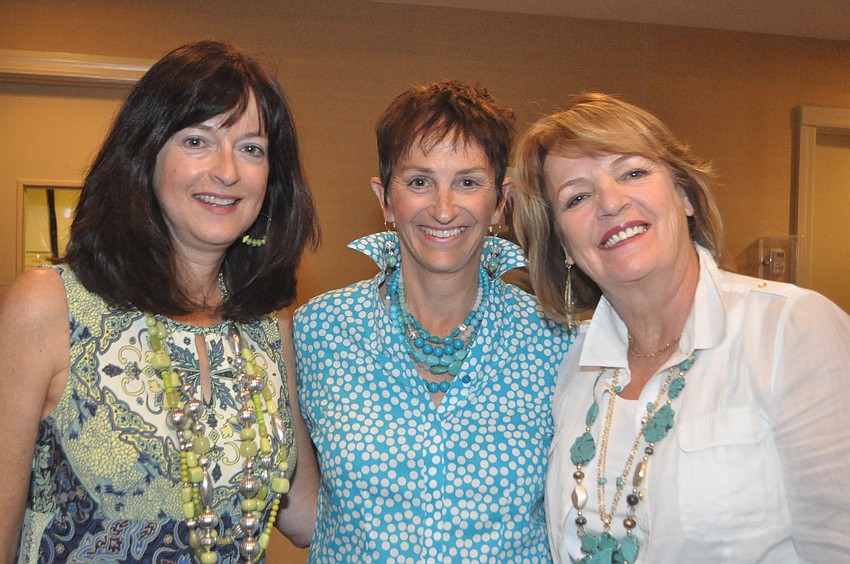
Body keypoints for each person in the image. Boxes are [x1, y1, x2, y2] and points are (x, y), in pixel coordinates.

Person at [0, 40, 320, 563]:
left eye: (251, 148)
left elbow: (304, 513)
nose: (227, 171)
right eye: (197, 141)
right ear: (145, 154)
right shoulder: (49, 304)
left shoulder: (268, 322)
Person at [511, 92, 850, 563]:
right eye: (577, 197)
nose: (610, 202)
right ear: (563, 245)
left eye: (633, 172)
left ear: (686, 196)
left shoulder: (791, 330)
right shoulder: (572, 371)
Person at [294, 81, 573, 562]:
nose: (443, 209)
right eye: (419, 181)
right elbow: (301, 509)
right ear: (385, 199)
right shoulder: (315, 332)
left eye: (467, 182)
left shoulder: (557, 342)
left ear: (500, 202)